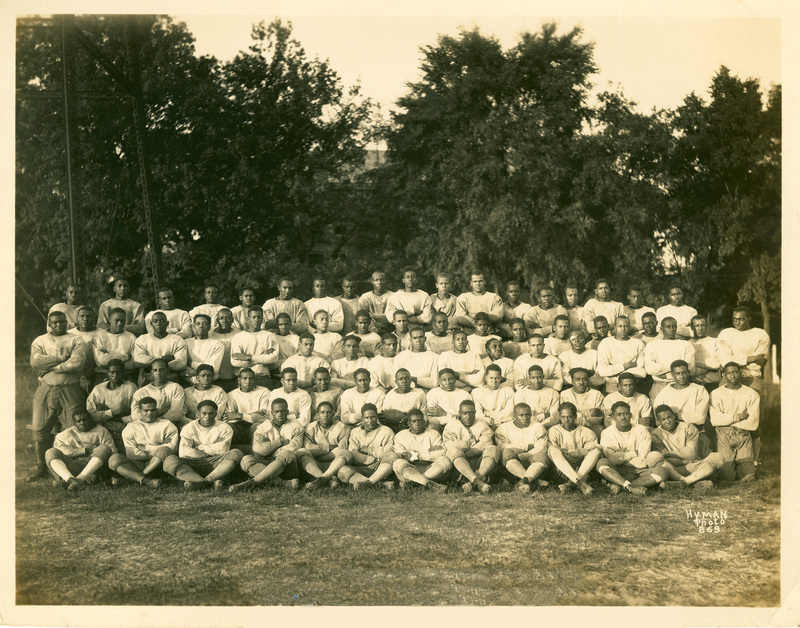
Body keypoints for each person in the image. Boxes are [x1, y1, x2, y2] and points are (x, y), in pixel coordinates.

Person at [27, 310, 87, 481]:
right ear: (49, 324)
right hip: (46, 388)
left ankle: (67, 467)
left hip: (70, 387)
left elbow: (77, 362)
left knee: (71, 428)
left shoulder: (75, 339)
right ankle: (41, 467)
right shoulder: (40, 340)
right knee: (40, 428)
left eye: (62, 322)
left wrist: (52, 367)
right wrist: (63, 358)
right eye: (55, 322)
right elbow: (36, 362)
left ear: (67, 322)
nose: (59, 325)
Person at [163, 399, 244, 490]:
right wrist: (211, 449)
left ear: (216, 414)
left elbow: (223, 450)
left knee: (236, 453)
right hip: (192, 463)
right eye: (204, 413)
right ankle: (208, 481)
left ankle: (202, 482)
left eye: (211, 413)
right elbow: (183, 452)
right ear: (198, 414)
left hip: (216, 463)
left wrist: (199, 448)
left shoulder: (224, 427)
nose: (207, 417)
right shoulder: (189, 427)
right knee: (169, 461)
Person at [228, 398, 304, 492]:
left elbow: (294, 447)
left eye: (282, 411)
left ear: (287, 412)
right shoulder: (263, 427)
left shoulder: (296, 426)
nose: (279, 414)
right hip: (267, 462)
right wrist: (278, 442)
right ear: (272, 413)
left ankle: (252, 482)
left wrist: (269, 448)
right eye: (276, 411)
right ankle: (283, 483)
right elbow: (257, 449)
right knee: (246, 459)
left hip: (286, 466)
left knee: (287, 454)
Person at [596, 401, 668, 495]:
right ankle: (629, 485)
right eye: (619, 414)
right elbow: (612, 460)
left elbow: (643, 460)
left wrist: (621, 458)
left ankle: (622, 485)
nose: (623, 417)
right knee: (602, 463)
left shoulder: (641, 430)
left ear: (631, 415)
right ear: (613, 417)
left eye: (626, 414)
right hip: (617, 469)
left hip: (638, 471)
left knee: (662, 472)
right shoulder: (607, 432)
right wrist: (634, 453)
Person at [107, 396, 178, 488]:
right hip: (136, 463)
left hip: (156, 464)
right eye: (146, 410)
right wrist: (156, 450)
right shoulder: (131, 427)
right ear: (140, 411)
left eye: (153, 410)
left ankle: (136, 477)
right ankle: (146, 480)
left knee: (164, 450)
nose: (150, 413)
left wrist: (145, 448)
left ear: (156, 410)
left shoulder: (167, 424)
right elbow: (130, 453)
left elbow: (172, 448)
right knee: (114, 458)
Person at [710, 362, 760, 482]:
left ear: (740, 374)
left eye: (735, 372)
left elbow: (753, 423)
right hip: (723, 435)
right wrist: (739, 417)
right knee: (726, 478)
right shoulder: (716, 394)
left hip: (743, 435)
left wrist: (726, 420)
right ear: (724, 375)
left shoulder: (751, 394)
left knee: (747, 477)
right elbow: (715, 420)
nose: (733, 376)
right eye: (729, 373)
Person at [651, 405, 723, 488]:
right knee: (655, 459)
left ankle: (685, 482)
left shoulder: (687, 427)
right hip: (673, 469)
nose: (667, 421)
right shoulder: (655, 434)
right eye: (663, 419)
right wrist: (683, 461)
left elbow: (691, 453)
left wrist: (669, 453)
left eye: (669, 417)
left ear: (674, 416)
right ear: (658, 420)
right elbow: (664, 458)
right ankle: (692, 482)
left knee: (718, 457)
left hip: (694, 466)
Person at [45, 411, 115, 490]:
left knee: (104, 448)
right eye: (78, 421)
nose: (82, 423)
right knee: (50, 452)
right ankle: (70, 479)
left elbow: (112, 450)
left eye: (85, 420)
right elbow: (61, 451)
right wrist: (85, 450)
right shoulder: (65, 434)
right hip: (73, 465)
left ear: (90, 420)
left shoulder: (101, 431)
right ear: (74, 423)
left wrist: (97, 450)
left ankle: (79, 479)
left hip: (93, 468)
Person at [335, 403, 398, 489]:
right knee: (343, 470)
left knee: (393, 456)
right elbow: (353, 452)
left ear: (377, 417)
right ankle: (378, 483)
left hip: (379, 466)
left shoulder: (386, 431)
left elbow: (389, 450)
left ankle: (370, 482)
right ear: (362, 419)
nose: (370, 420)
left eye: (373, 417)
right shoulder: (355, 432)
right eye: (367, 418)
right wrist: (368, 459)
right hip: (360, 466)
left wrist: (369, 450)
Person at [443, 400, 499, 493]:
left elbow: (487, 443)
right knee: (453, 451)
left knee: (493, 448)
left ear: (475, 412)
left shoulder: (481, 423)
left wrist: (469, 451)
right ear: (459, 413)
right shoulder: (451, 425)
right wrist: (469, 444)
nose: (468, 416)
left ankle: (473, 481)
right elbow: (450, 444)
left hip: (480, 464)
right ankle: (478, 481)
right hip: (461, 464)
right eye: (465, 413)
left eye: (471, 413)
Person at [547, 402, 601, 495]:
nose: (566, 420)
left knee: (596, 450)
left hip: (582, 469)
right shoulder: (554, 430)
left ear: (575, 416)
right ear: (559, 417)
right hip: (562, 470)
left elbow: (594, 447)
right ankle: (579, 483)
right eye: (563, 417)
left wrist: (579, 452)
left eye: (569, 417)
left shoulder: (585, 431)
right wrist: (570, 452)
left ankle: (571, 483)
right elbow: (553, 452)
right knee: (552, 449)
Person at [494, 403, 550, 493]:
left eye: (527, 414)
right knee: (505, 453)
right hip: (512, 465)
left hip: (532, 462)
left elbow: (541, 448)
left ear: (531, 415)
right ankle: (532, 480)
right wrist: (525, 447)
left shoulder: (538, 427)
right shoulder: (503, 428)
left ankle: (524, 480)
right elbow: (503, 447)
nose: (525, 418)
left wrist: (522, 455)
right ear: (514, 416)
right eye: (521, 415)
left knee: (542, 456)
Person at [86, 359, 138, 452]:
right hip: (104, 427)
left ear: (123, 373)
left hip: (125, 426)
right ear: (107, 372)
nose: (115, 375)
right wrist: (115, 412)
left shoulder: (130, 387)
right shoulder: (98, 389)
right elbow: (92, 415)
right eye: (112, 372)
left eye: (118, 372)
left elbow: (136, 413)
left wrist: (106, 414)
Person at [296, 401, 351, 489]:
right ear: (317, 415)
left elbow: (341, 449)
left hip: (334, 464)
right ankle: (327, 480)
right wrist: (328, 447)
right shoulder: (310, 428)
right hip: (315, 464)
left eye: (329, 412)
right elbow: (308, 448)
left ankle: (321, 480)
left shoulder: (342, 427)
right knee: (301, 452)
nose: (325, 415)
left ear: (333, 414)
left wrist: (320, 454)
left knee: (345, 453)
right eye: (322, 412)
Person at [392, 409, 451, 491]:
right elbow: (403, 456)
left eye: (420, 420)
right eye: (414, 421)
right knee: (397, 463)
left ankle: (416, 482)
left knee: (445, 461)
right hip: (410, 469)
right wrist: (429, 453)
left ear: (424, 421)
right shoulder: (400, 436)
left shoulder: (433, 434)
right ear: (409, 423)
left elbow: (441, 453)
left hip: (431, 469)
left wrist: (416, 455)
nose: (417, 423)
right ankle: (428, 483)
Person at [717, 306, 770, 394]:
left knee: (756, 405)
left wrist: (733, 361)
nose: (737, 322)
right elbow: (725, 361)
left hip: (751, 378)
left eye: (741, 319)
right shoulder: (726, 334)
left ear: (749, 318)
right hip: (729, 378)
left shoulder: (760, 334)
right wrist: (752, 359)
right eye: (734, 319)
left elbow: (757, 365)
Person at [644, 317, 696, 401]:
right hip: (659, 386)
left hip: (681, 386)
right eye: (668, 327)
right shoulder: (652, 345)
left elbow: (690, 368)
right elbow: (650, 368)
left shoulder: (686, 345)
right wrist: (677, 367)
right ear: (662, 329)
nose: (671, 329)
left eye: (674, 326)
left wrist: (666, 375)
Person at [653, 360, 710, 434]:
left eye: (684, 372)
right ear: (672, 375)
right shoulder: (665, 392)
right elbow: (659, 419)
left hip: (693, 431)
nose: (682, 376)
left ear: (688, 372)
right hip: (670, 432)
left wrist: (676, 416)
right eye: (678, 373)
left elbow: (700, 418)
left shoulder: (699, 390)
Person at [132, 310, 189, 384]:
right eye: (155, 321)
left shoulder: (177, 340)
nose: (159, 323)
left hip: (170, 377)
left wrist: (151, 363)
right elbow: (138, 361)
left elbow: (181, 363)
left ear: (167, 323)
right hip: (148, 377)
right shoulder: (142, 339)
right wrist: (163, 359)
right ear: (151, 324)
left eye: (162, 321)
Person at [229, 306, 279, 388]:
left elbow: (273, 358)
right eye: (254, 317)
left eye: (259, 317)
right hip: (244, 379)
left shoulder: (269, 336)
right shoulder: (238, 337)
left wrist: (249, 357)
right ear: (248, 319)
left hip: (263, 378)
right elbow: (235, 362)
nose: (256, 319)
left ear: (262, 319)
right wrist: (262, 357)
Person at [597, 316, 646, 393]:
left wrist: (613, 372)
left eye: (626, 326)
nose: (623, 329)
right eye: (620, 326)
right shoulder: (606, 343)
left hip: (632, 387)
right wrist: (626, 366)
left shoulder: (638, 343)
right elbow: (603, 371)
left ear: (629, 327)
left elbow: (641, 372)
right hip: (612, 387)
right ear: (615, 327)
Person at [131, 359, 186, 427]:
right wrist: (160, 411)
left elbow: (175, 414)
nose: (158, 373)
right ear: (151, 372)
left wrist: (152, 419)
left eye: (161, 370)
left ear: (167, 371)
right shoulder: (141, 392)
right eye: (155, 370)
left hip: (169, 425)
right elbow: (135, 416)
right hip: (145, 426)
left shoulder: (176, 388)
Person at [224, 367, 271, 445]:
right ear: (239, 380)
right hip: (238, 425)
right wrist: (254, 414)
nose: (248, 381)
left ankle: (257, 452)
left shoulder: (264, 392)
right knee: (227, 427)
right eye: (245, 378)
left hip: (255, 424)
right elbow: (228, 417)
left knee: (258, 427)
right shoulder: (231, 395)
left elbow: (263, 416)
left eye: (251, 378)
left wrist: (240, 415)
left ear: (255, 380)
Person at [93, 308, 137, 381]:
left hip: (126, 375)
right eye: (116, 320)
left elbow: (134, 363)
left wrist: (109, 355)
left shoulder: (131, 337)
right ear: (109, 319)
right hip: (104, 374)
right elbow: (101, 361)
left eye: (122, 321)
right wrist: (125, 357)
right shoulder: (99, 337)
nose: (120, 323)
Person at [559, 368, 605, 438]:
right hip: (570, 428)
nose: (581, 382)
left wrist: (575, 416)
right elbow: (565, 417)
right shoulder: (565, 394)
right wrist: (588, 413)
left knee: (599, 429)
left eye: (584, 379)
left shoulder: (596, 394)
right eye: (578, 379)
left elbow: (598, 419)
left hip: (591, 428)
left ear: (588, 381)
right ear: (572, 381)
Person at [393, 326, 440, 391]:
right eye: (415, 338)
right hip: (407, 393)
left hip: (427, 393)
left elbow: (434, 383)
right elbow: (398, 381)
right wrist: (423, 381)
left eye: (421, 337)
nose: (418, 340)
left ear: (425, 338)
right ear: (410, 340)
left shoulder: (435, 357)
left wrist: (413, 379)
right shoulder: (401, 357)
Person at [68, 305, 102, 393]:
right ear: (77, 318)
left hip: (98, 374)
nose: (85, 319)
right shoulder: (69, 334)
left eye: (88, 316)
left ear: (94, 318)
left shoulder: (103, 333)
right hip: (76, 375)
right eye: (82, 316)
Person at [382, 368, 427, 432]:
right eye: (400, 379)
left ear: (411, 380)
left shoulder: (419, 393)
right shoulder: (390, 395)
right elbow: (385, 414)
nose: (404, 381)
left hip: (415, 425)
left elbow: (424, 414)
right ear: (396, 382)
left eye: (407, 378)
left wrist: (410, 419)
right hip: (395, 427)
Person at [471, 364, 515, 429]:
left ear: (500, 378)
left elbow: (509, 415)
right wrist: (496, 420)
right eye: (491, 378)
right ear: (486, 378)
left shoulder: (508, 391)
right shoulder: (477, 392)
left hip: (505, 426)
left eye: (497, 378)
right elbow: (478, 416)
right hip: (484, 426)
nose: (494, 381)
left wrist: (488, 413)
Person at [185, 314, 224, 382]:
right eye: (198, 324)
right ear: (194, 326)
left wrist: (191, 363)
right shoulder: (186, 342)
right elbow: (182, 365)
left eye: (205, 324)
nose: (201, 326)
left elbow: (213, 369)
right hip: (187, 382)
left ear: (209, 327)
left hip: (209, 383)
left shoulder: (217, 344)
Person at [689, 314, 722, 389]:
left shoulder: (715, 341)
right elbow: (689, 365)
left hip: (712, 384)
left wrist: (697, 365)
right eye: (697, 326)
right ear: (692, 327)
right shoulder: (688, 344)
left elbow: (717, 364)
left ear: (706, 326)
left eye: (703, 325)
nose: (700, 328)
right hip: (694, 384)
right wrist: (709, 367)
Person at [209, 308, 238, 392]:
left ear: (232, 320)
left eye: (227, 318)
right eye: (221, 318)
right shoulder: (210, 334)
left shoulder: (239, 334)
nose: (224, 320)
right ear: (217, 320)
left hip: (234, 377)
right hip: (215, 378)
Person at [358, 271, 394, 335]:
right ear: (372, 282)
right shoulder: (365, 297)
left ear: (385, 281)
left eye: (382, 280)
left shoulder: (393, 296)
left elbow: (394, 316)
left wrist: (374, 316)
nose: (379, 282)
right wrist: (379, 326)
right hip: (371, 331)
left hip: (391, 329)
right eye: (376, 280)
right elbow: (363, 317)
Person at [272, 312, 301, 381]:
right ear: (276, 325)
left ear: (290, 325)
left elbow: (299, 356)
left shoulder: (296, 338)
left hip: (292, 370)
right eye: (281, 324)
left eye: (286, 324)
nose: (284, 327)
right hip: (275, 370)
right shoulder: (272, 337)